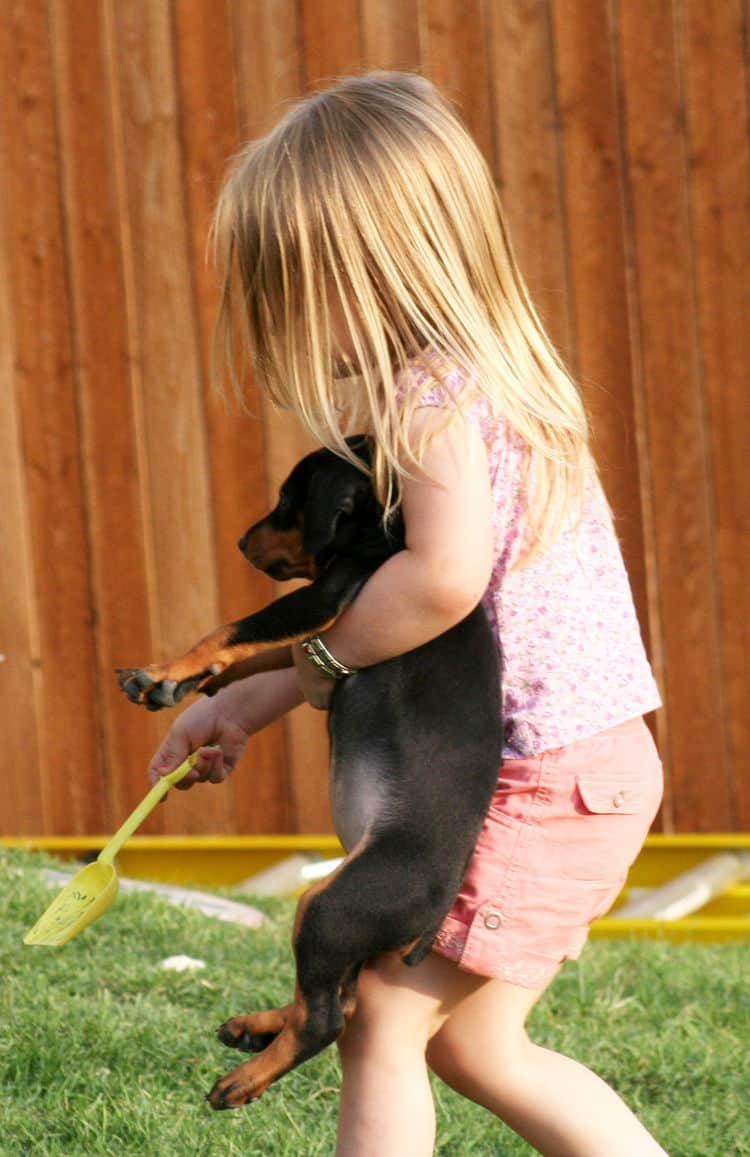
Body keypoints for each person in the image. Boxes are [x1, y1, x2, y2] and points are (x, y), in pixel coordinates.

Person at [147, 72, 667, 1156]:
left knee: (381, 1016)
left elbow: (438, 586)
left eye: (296, 283)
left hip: (549, 776)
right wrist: (248, 697)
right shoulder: (488, 383)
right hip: (581, 765)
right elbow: (390, 618)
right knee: (475, 1047)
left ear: (376, 266)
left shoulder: (434, 402)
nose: (284, 312)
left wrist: (313, 663)